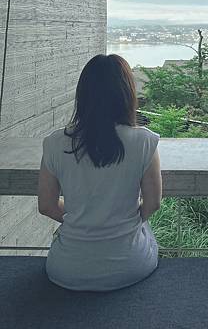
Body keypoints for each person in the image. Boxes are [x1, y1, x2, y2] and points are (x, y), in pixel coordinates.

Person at [38, 54, 161, 291]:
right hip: (131, 265)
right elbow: (153, 204)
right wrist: (121, 222)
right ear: (127, 95)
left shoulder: (54, 143)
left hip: (67, 269)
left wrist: (83, 218)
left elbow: (46, 205)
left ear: (83, 95)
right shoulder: (144, 141)